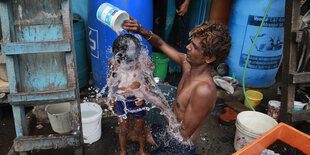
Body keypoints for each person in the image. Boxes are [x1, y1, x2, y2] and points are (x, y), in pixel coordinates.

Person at [122, 17, 231, 154]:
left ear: (209, 58)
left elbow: (182, 134)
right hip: (171, 130)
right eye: (191, 42)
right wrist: (140, 29)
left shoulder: (204, 90)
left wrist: (157, 102)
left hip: (180, 147)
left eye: (194, 47)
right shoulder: (187, 64)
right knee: (138, 133)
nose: (187, 47)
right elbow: (161, 44)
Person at [108, 34, 153, 155]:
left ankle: (142, 149)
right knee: (123, 129)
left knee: (140, 129)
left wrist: (144, 94)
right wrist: (110, 96)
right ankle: (123, 151)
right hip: (121, 100)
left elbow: (150, 83)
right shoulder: (113, 62)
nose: (127, 66)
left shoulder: (145, 63)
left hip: (137, 100)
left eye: (130, 63)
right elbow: (111, 79)